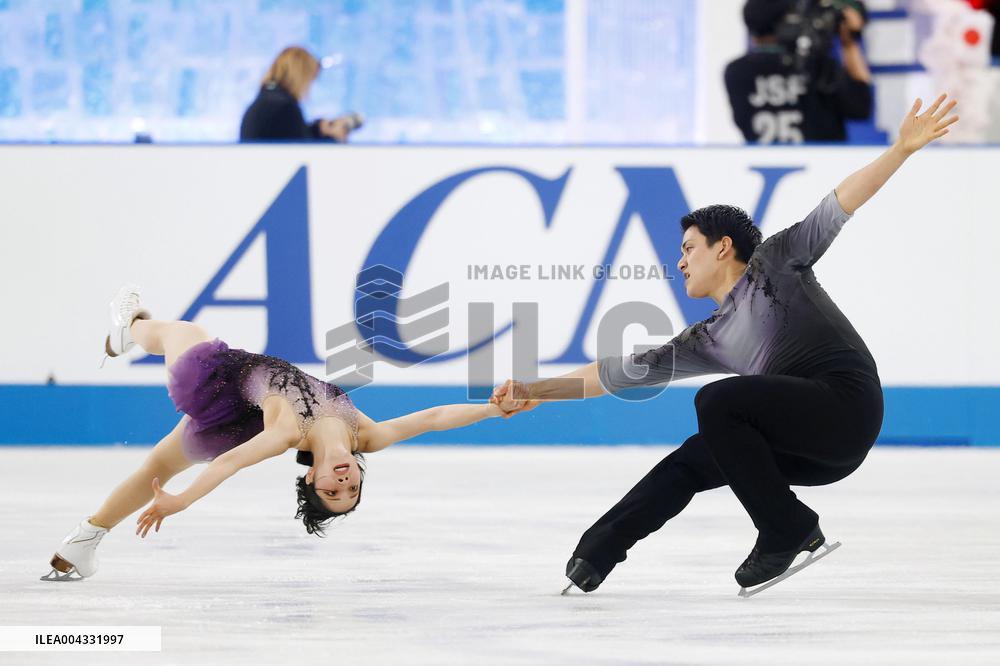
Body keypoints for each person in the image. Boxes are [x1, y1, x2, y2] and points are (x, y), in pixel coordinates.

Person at [493, 95, 959, 594]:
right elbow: (613, 373)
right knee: (693, 457)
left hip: (846, 407)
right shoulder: (708, 338)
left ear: (723, 247)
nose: (681, 262)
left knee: (717, 400)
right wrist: (536, 390)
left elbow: (839, 204)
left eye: (688, 248)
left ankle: (786, 528)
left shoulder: (776, 262)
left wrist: (901, 150)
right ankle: (596, 551)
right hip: (813, 455)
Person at [44, 285, 508, 581]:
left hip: (212, 381)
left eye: (333, 490)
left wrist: (181, 500)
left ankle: (129, 331)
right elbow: (429, 419)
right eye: (352, 487)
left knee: (182, 331)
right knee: (156, 465)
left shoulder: (287, 433)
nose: (343, 480)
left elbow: (229, 463)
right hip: (236, 415)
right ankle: (81, 542)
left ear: (311, 481)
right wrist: (489, 409)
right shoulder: (365, 434)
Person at [724, 0, 872, 143]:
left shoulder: (736, 72)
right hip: (826, 164)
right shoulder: (815, 64)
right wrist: (849, 43)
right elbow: (861, 107)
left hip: (763, 160)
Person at [239, 46, 353, 143]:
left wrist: (317, 130)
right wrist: (333, 138)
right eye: (311, 78)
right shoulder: (284, 108)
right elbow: (301, 151)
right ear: (301, 76)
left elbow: (288, 136)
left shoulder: (267, 101)